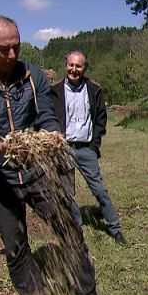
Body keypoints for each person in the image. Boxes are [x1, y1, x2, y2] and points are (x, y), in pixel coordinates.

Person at [0, 15, 98, 295]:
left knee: (70, 229)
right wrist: (5, 148)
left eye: (16, 47)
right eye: (3, 49)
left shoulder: (32, 76)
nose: (12, 55)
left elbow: (46, 115)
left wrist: (48, 136)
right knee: (15, 243)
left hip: (39, 173)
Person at [51, 50, 127, 246]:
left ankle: (115, 229)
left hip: (86, 149)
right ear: (65, 65)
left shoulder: (94, 89)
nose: (74, 69)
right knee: (67, 194)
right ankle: (75, 232)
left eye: (78, 66)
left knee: (100, 190)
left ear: (84, 68)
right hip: (63, 149)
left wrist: (94, 145)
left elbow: (101, 118)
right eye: (71, 65)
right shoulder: (55, 91)